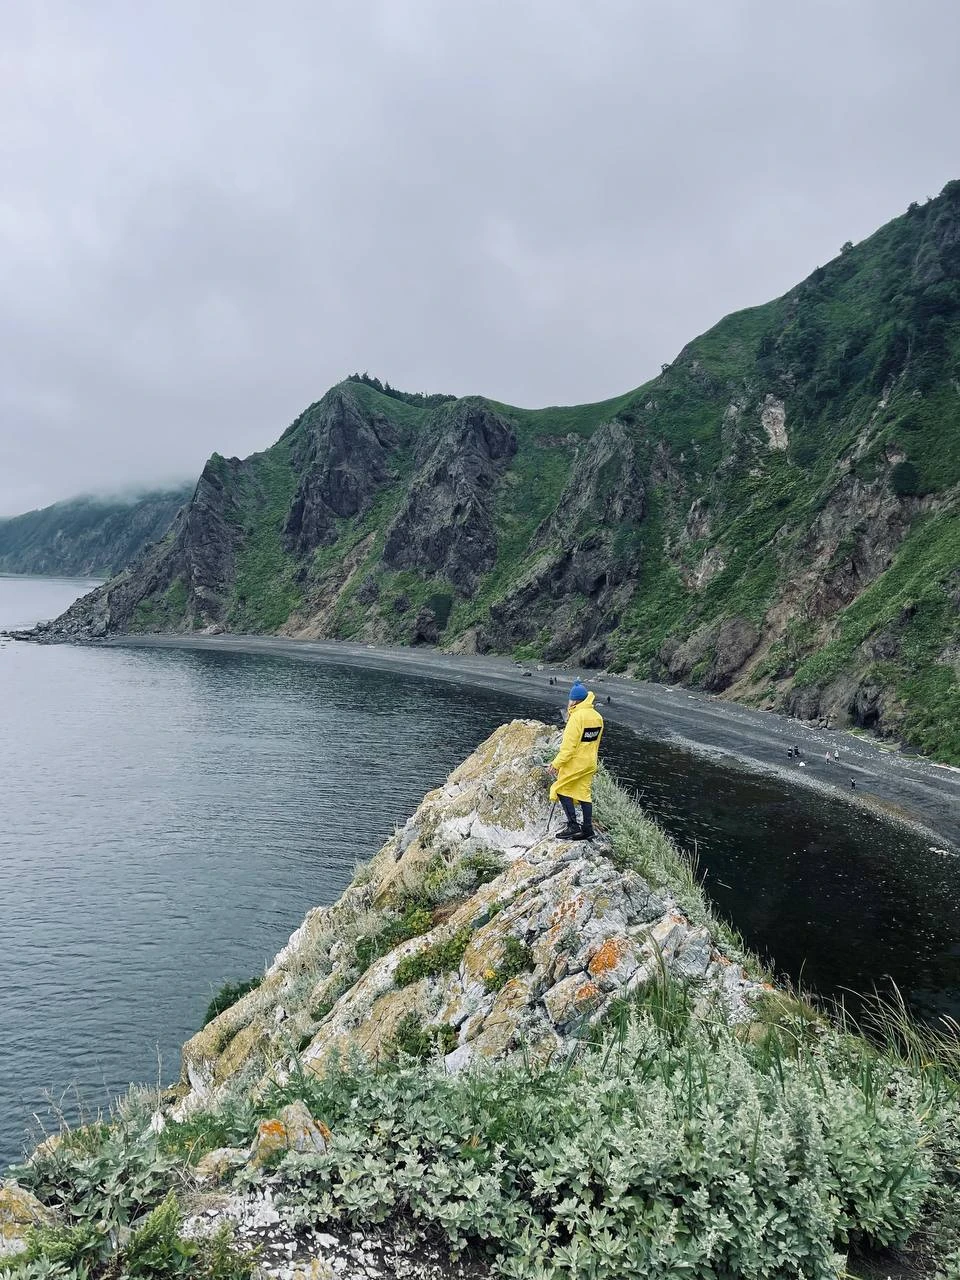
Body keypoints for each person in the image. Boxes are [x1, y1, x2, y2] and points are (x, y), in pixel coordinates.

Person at [548, 681, 604, 840]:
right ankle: (587, 829)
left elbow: (568, 748)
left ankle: (572, 825)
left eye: (570, 699)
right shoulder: (597, 717)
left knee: (561, 789)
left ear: (574, 701)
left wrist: (556, 764)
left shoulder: (576, 718)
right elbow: (595, 742)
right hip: (590, 762)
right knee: (584, 793)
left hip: (575, 763)